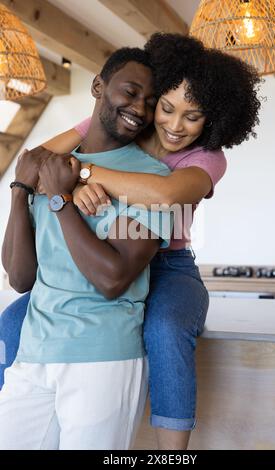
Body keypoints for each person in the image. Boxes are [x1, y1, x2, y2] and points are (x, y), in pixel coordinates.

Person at [0, 33, 261, 450]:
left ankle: (171, 452)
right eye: (167, 108)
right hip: (103, 261)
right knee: (13, 321)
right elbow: (37, 160)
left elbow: (166, 195)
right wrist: (62, 179)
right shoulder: (126, 126)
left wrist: (81, 178)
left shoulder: (206, 158)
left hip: (168, 265)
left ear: (213, 120)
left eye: (192, 117)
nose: (175, 125)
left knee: (165, 327)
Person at [0, 47, 173, 450]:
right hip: (35, 353)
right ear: (99, 87)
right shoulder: (51, 166)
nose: (139, 109)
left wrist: (60, 200)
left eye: (150, 102)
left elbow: (113, 279)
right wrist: (19, 190)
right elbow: (20, 277)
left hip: (102, 357)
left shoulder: (150, 177)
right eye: (130, 93)